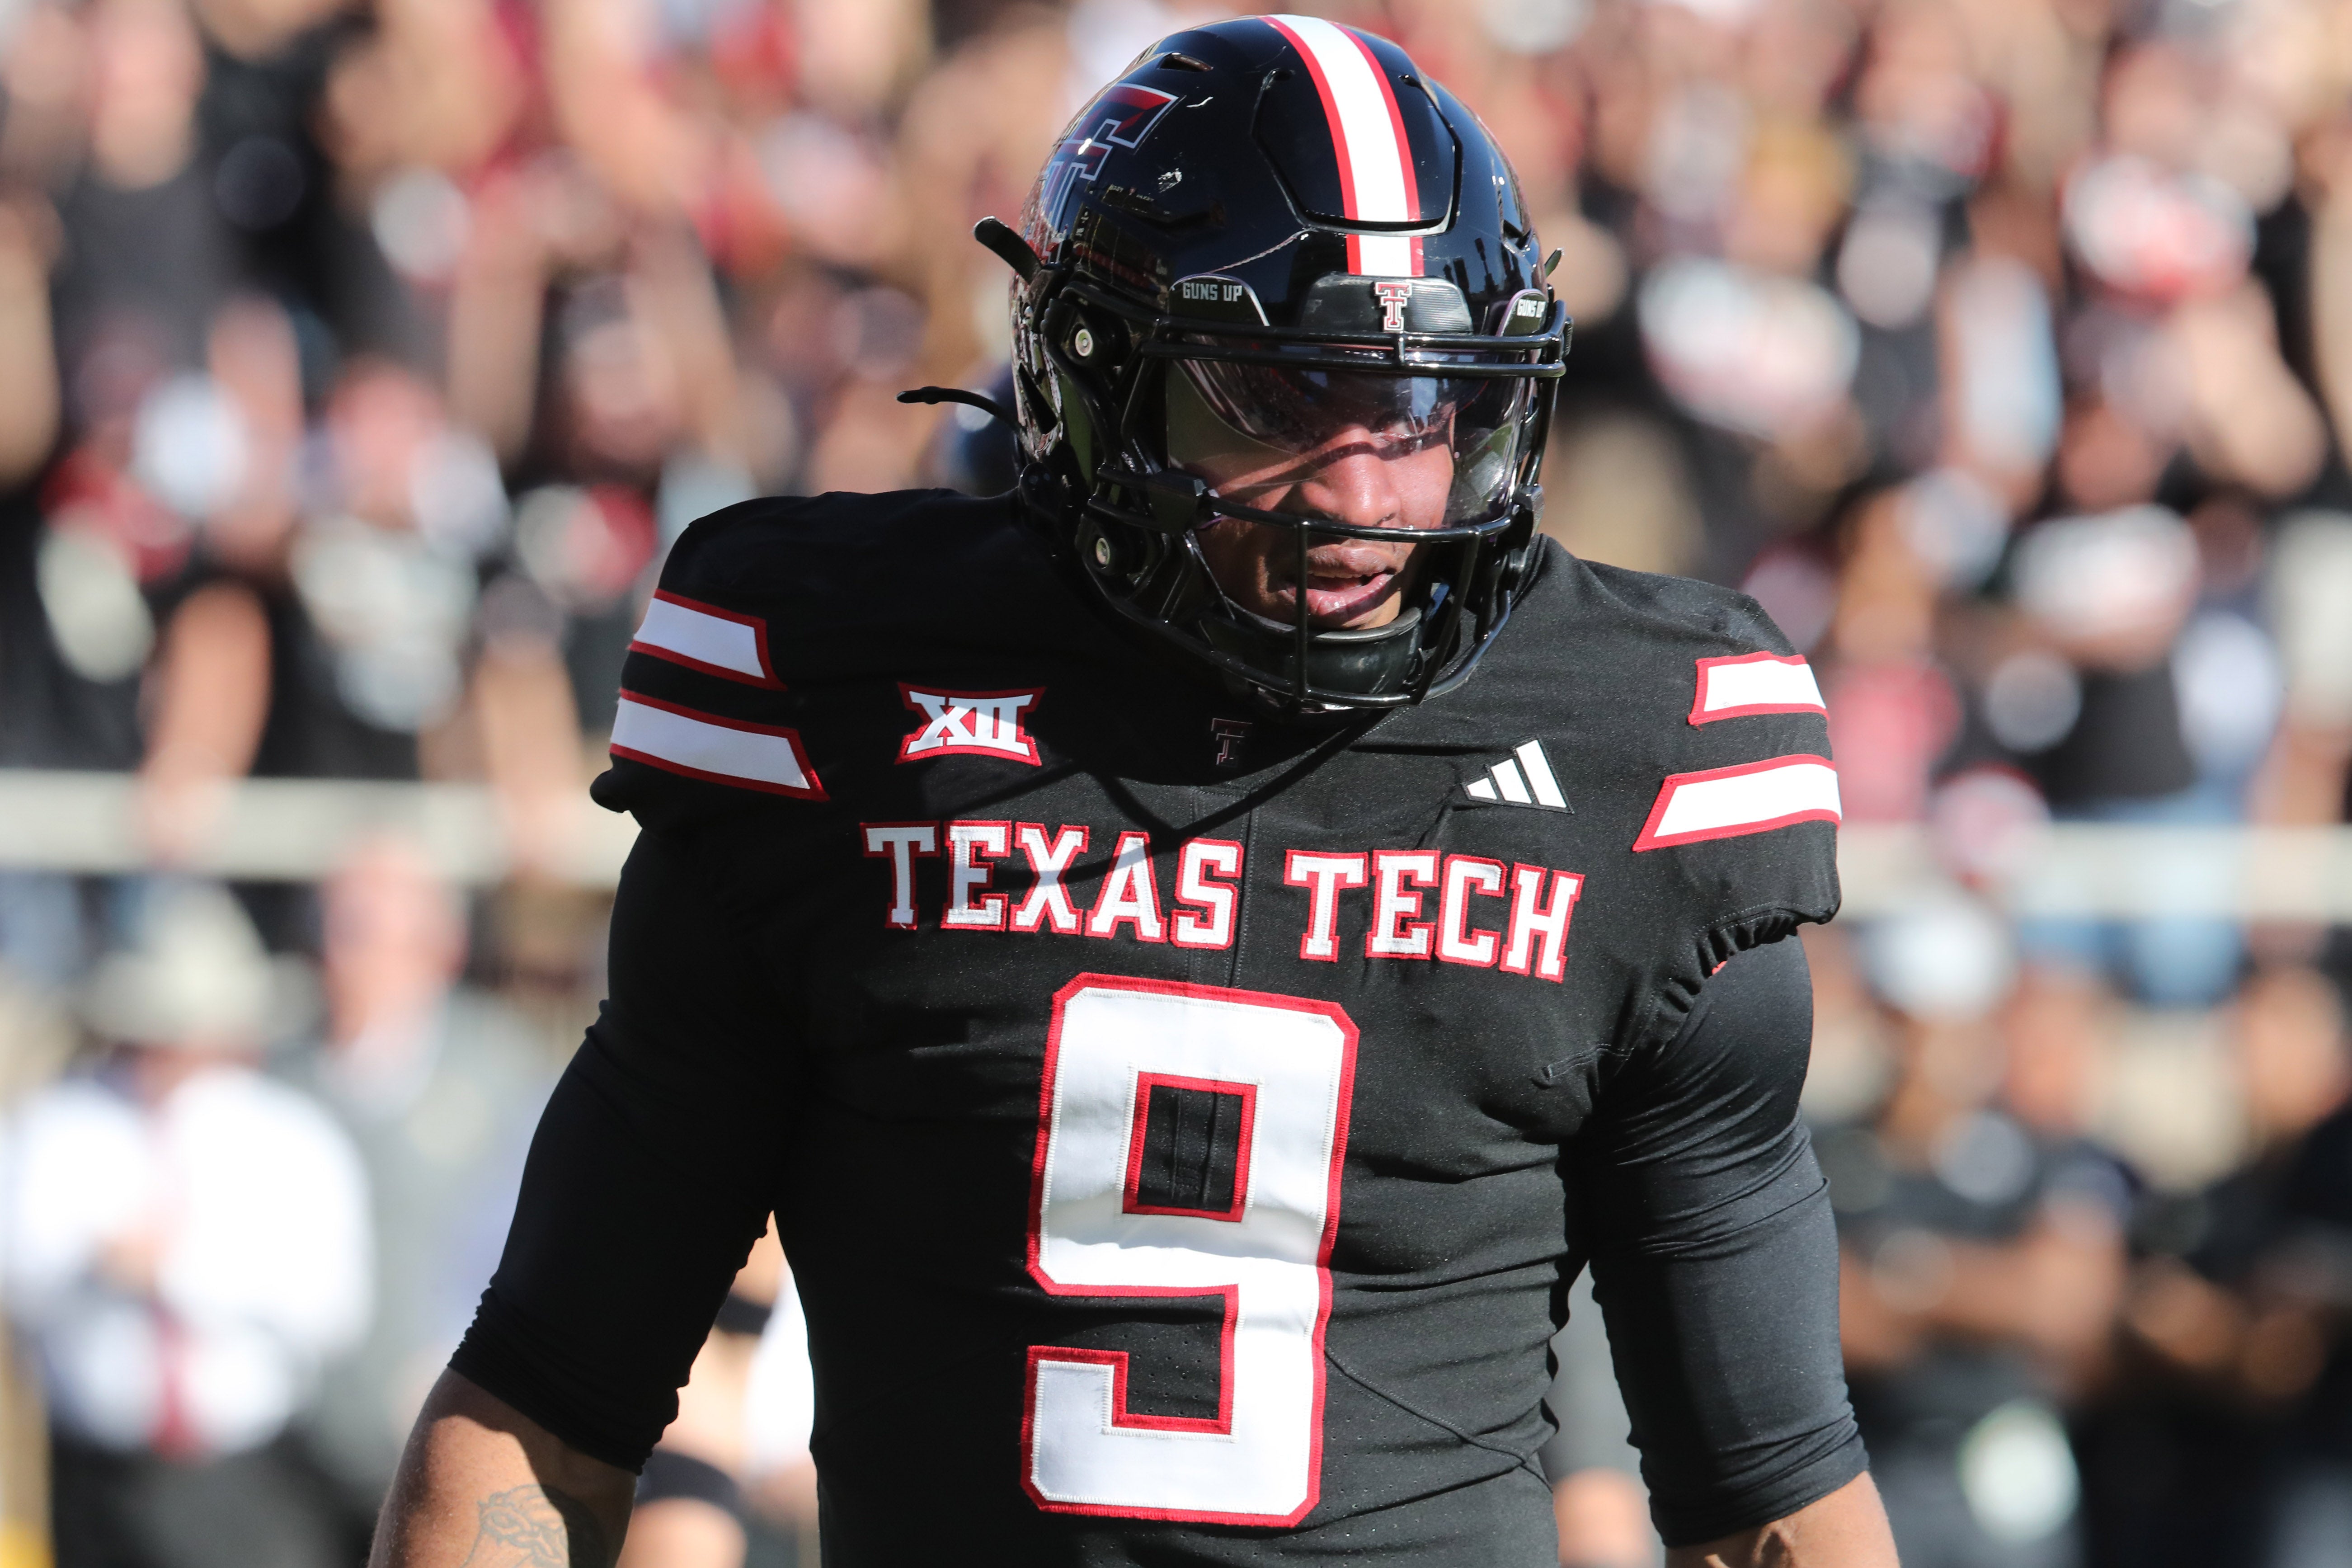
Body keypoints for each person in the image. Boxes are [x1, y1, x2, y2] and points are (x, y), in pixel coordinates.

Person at [372, 17, 1895, 1567]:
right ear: (1093, 373)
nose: (1369, 493)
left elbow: (1767, 1490)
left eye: (1428, 399)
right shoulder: (840, 699)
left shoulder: (1642, 739)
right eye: (1284, 394)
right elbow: (549, 1407)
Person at [2, 880, 372, 1568]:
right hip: (97, 1475)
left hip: (247, 1476)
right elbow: (20, 1267)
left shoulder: (288, 1139)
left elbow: (332, 1306)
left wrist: (180, 1270)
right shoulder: (62, 1125)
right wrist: (93, 1261)